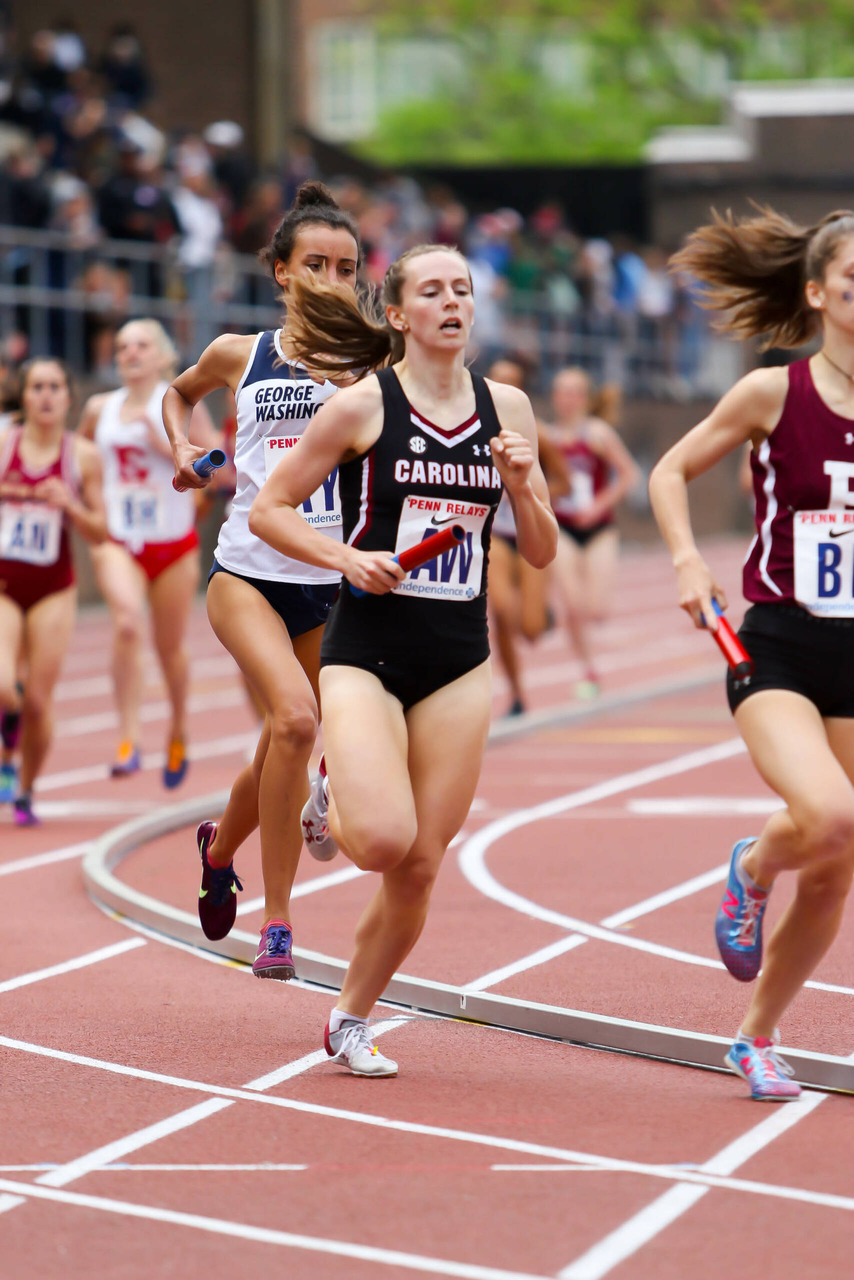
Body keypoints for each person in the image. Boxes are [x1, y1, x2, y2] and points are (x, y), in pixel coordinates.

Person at [249, 244, 557, 1076]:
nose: (452, 302)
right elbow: (270, 511)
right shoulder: (360, 406)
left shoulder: (510, 408)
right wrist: (345, 559)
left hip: (457, 658)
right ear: (398, 314)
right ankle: (332, 799)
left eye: (462, 289)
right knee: (383, 839)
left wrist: (525, 487)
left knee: (419, 866)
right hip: (367, 650)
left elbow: (539, 552)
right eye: (432, 291)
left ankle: (349, 1016)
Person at [649, 206, 854, 1102]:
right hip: (777, 646)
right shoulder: (776, 392)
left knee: (840, 860)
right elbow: (667, 471)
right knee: (830, 815)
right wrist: (691, 561)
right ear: (818, 294)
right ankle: (751, 866)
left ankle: (756, 1036)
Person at [163, 181, 361, 978]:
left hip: (327, 576)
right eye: (315, 264)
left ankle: (220, 850)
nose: (332, 280)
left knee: (287, 738)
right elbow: (179, 398)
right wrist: (185, 450)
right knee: (295, 719)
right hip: (245, 571)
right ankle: (276, 919)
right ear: (281, 271)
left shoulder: (372, 360)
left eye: (346, 268)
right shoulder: (240, 354)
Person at [78, 319, 217, 785]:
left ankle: (178, 727)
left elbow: (218, 466)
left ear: (161, 356)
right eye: (122, 346)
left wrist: (162, 441)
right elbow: (77, 459)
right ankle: (129, 736)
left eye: (141, 345)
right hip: (119, 539)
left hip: (173, 542)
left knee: (170, 646)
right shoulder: (101, 408)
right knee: (126, 623)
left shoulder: (180, 405)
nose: (130, 353)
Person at [0, 358, 106, 824]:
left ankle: (24, 788)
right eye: (37, 387)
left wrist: (71, 505)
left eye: (54, 387)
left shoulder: (82, 456)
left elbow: (101, 531)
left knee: (40, 701)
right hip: (4, 584)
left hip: (53, 589)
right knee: (5, 686)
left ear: (67, 396)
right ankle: (10, 728)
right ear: (23, 397)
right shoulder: (4, 445)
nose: (45, 395)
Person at [546, 367, 639, 697]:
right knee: (572, 607)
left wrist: (598, 507)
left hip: (599, 528)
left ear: (584, 398)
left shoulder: (597, 433)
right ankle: (588, 669)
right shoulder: (546, 437)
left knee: (596, 610)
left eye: (573, 392)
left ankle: (588, 642)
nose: (566, 399)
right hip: (564, 528)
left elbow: (629, 474)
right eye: (561, 391)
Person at [487, 357, 569, 715]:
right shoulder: (471, 425)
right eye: (498, 379)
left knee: (531, 629)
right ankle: (518, 692)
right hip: (493, 534)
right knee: (502, 609)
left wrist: (530, 492)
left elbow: (565, 481)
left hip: (527, 530)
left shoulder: (538, 434)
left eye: (511, 381)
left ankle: (540, 611)